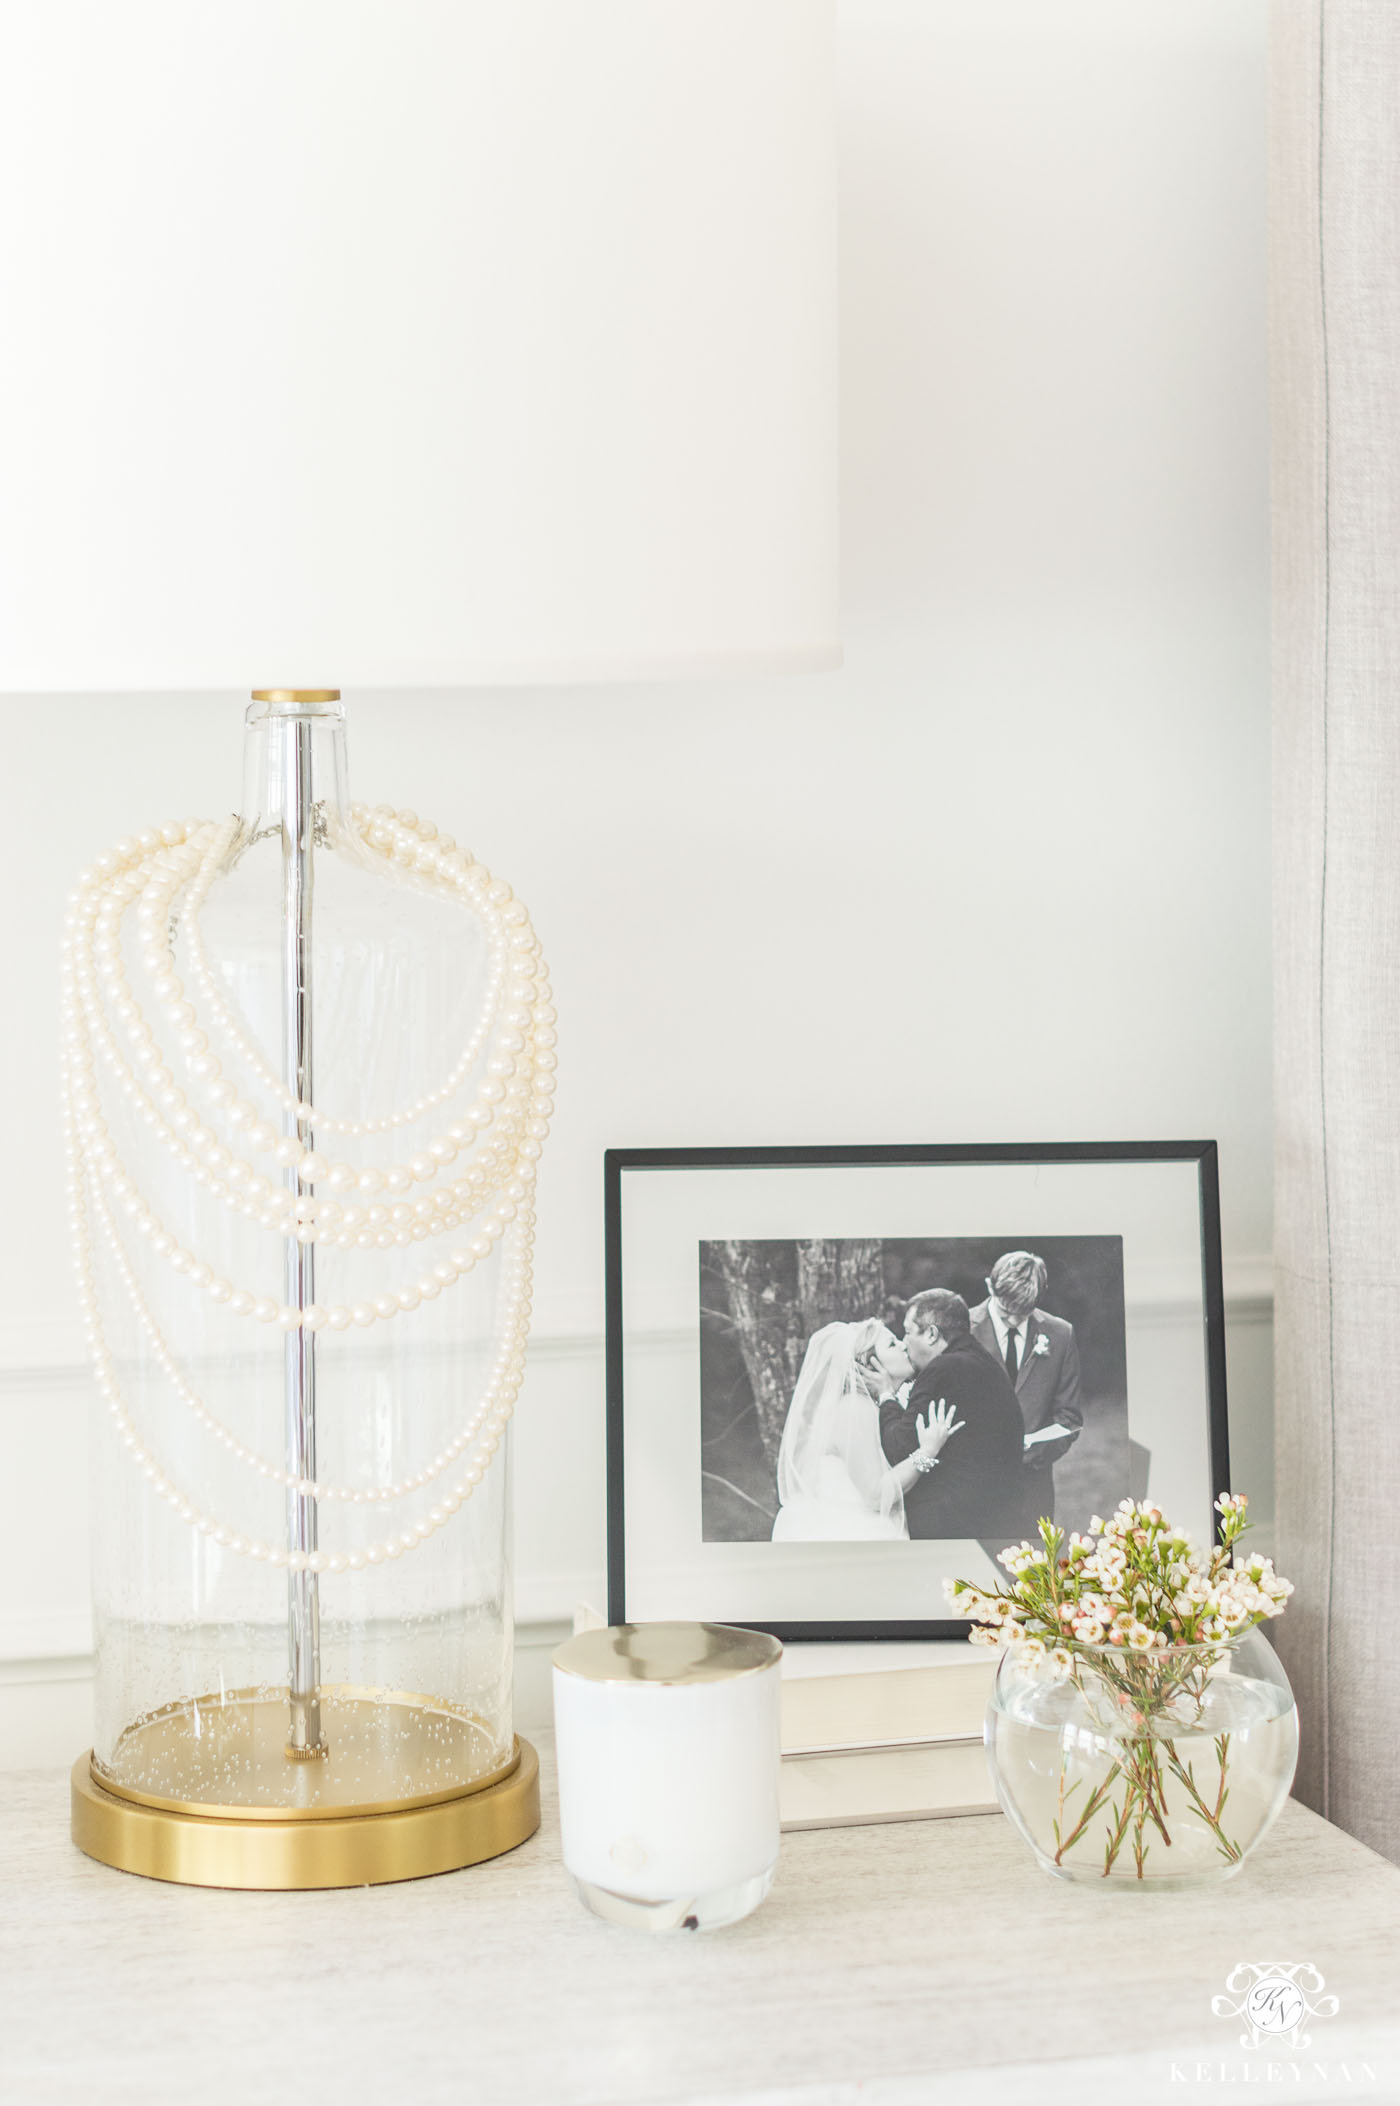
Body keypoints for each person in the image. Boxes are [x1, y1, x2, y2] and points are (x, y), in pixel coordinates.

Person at [771, 1319, 962, 1542]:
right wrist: (927, 1452)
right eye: (892, 1344)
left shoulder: (872, 1405)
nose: (903, 1345)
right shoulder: (854, 1408)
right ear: (869, 1365)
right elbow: (874, 1494)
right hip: (850, 1532)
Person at [878, 1289, 1030, 1542]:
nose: (904, 1343)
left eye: (907, 1332)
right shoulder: (979, 1360)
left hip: (953, 1524)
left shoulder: (944, 1369)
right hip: (996, 1518)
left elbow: (897, 1448)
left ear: (931, 1334)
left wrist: (885, 1396)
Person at [969, 1251, 1084, 1522]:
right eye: (1006, 1311)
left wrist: (1033, 1450)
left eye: (1023, 1313)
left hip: (1032, 1490)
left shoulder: (1060, 1334)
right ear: (989, 1286)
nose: (1013, 1320)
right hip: (971, 1486)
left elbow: (1070, 1419)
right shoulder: (962, 1328)